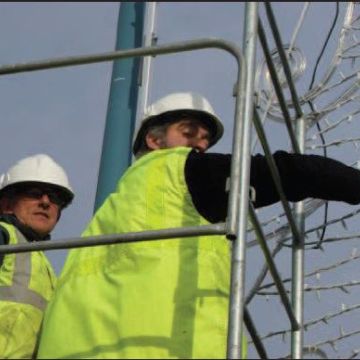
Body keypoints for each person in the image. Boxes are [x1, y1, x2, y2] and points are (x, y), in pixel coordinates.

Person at [37, 92, 360, 359]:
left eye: (205, 140)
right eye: (189, 133)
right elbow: (290, 172)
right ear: (154, 140)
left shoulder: (111, 211)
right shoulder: (180, 172)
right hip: (163, 347)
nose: (201, 146)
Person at [0, 154, 74, 359]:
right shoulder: (4, 235)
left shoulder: (46, 268)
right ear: (6, 204)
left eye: (54, 198)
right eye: (34, 193)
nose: (45, 202)